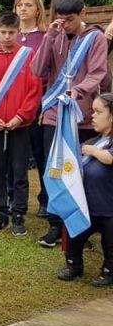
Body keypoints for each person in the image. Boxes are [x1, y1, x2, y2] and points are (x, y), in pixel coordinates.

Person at [32, 0, 110, 248]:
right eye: (60, 18)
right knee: (53, 170)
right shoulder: (54, 34)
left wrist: (77, 91)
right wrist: (49, 37)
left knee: (81, 173)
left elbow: (97, 73)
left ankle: (81, 231)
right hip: (55, 115)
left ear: (83, 13)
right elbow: (38, 69)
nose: (64, 24)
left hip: (84, 116)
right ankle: (56, 226)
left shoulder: (95, 38)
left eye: (70, 20)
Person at [0, 12, 42, 236]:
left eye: (11, 33)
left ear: (18, 32)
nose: (6, 37)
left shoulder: (28, 55)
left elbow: (34, 91)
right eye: (3, 32)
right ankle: (1, 212)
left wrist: (20, 117)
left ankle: (19, 214)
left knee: (20, 171)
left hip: (19, 125)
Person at [56, 93, 113, 287]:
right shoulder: (91, 142)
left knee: (110, 243)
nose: (93, 117)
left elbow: (109, 158)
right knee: (75, 235)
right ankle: (74, 265)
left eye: (98, 112)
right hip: (87, 206)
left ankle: (109, 271)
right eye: (92, 112)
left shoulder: (97, 147)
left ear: (112, 116)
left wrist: (93, 152)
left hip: (109, 209)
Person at [13, 0, 48, 216]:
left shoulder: (45, 37)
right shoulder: (9, 35)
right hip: (12, 105)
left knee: (41, 153)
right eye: (20, 5)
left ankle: (46, 199)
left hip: (38, 105)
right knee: (14, 155)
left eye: (29, 5)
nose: (23, 9)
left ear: (38, 10)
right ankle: (13, 199)